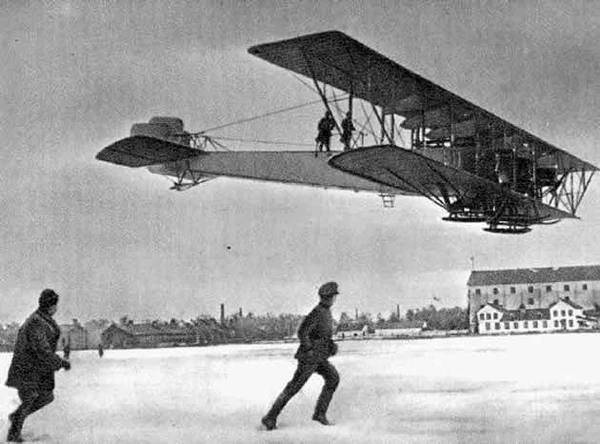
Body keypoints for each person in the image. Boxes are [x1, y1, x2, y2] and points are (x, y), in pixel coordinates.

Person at [261, 281, 340, 431]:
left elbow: (322, 335)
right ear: (326, 298)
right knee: (294, 387)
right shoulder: (317, 312)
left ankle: (319, 414)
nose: (334, 300)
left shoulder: (326, 312)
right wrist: (309, 349)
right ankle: (270, 417)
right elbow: (303, 332)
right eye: (332, 297)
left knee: (333, 378)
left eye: (334, 297)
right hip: (309, 358)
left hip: (319, 358)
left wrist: (331, 345)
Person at [5, 289, 71, 442]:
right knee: (31, 397)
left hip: (36, 369)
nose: (56, 308)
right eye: (55, 305)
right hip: (26, 369)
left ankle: (16, 417)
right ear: (50, 305)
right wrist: (60, 362)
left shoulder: (43, 319)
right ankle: (14, 433)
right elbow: (42, 350)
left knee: (46, 396)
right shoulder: (36, 322)